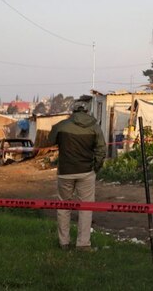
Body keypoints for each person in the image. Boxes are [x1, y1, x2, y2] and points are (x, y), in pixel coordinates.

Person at [49, 98, 106, 251]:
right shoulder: (95, 127)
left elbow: (50, 140)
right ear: (87, 111)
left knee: (63, 207)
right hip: (86, 172)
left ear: (73, 111)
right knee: (86, 208)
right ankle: (83, 244)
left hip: (65, 172)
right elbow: (102, 150)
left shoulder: (62, 125)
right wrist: (96, 167)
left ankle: (64, 243)